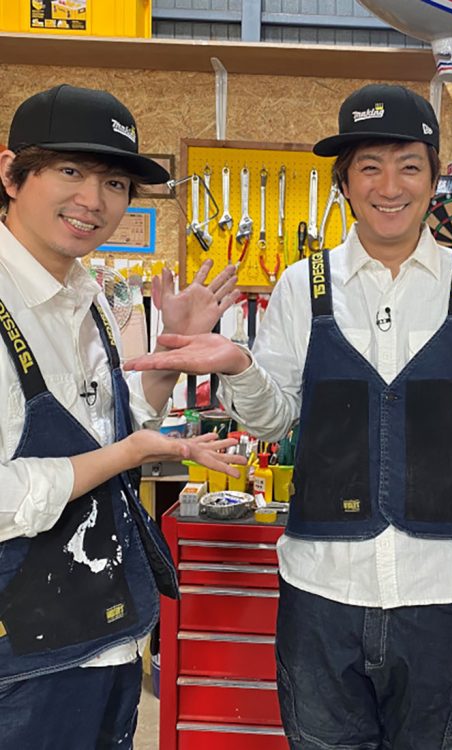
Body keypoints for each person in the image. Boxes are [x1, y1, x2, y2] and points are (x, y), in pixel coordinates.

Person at [126, 83, 452, 749]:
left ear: (433, 179)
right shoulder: (302, 286)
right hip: (322, 594)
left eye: (408, 165)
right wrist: (240, 367)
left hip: (444, 595)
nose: (389, 186)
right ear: (345, 183)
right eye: (369, 167)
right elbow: (272, 420)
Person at [0, 84, 245, 749]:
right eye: (70, 171)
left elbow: (109, 424)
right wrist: (128, 456)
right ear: (12, 174)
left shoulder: (90, 299)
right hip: (20, 667)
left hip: (106, 640)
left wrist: (169, 355)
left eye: (113, 182)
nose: (94, 200)